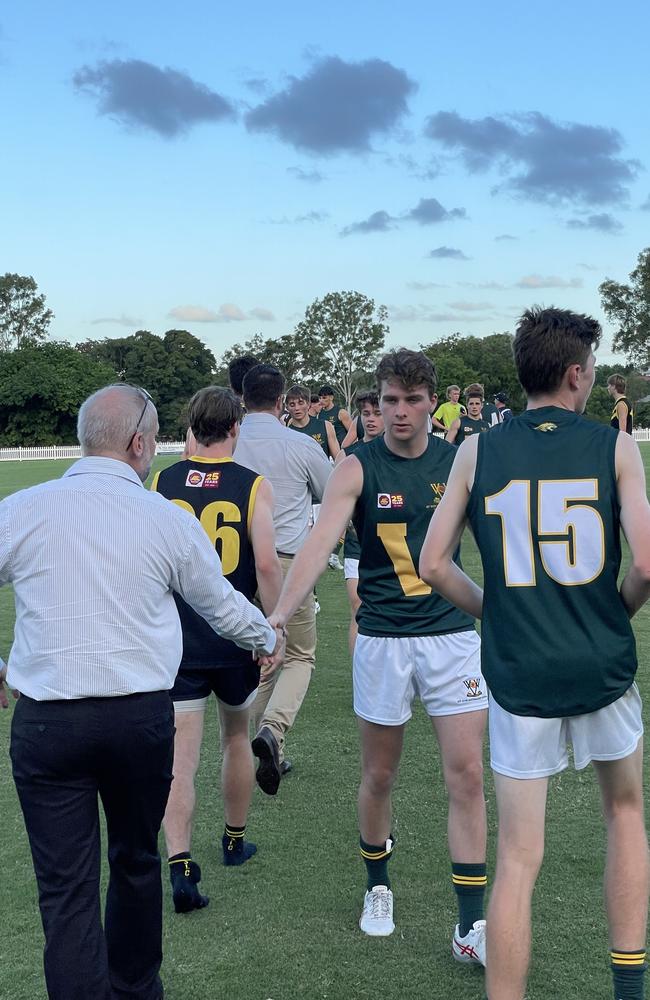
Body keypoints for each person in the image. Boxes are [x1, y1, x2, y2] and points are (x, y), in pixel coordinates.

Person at [0, 384, 281, 1000]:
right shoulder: (161, 518)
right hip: (136, 721)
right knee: (135, 861)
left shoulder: (23, 508)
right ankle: (135, 989)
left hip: (47, 724)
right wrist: (267, 636)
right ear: (138, 442)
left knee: (65, 888)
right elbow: (221, 605)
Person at [419, 306, 650, 1000]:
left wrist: (500, 612)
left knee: (519, 857)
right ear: (577, 373)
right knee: (626, 813)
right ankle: (630, 988)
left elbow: (433, 563)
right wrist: (614, 610)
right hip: (599, 659)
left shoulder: (475, 449)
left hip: (520, 670)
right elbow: (647, 562)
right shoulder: (614, 446)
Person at [268, 350, 488, 958]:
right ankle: (378, 885)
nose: (399, 412)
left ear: (431, 403)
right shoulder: (356, 466)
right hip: (383, 639)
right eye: (389, 400)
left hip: (451, 637)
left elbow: (494, 543)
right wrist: (282, 612)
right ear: (377, 403)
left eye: (412, 400)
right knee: (380, 774)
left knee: (467, 775)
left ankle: (470, 925)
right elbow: (318, 543)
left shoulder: (458, 462)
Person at [152, 386, 283, 912]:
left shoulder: (162, 481)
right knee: (235, 738)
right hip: (233, 637)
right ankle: (233, 840)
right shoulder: (252, 485)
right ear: (235, 429)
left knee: (180, 758)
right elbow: (268, 565)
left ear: (191, 427)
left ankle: (180, 862)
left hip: (178, 637)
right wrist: (272, 628)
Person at [235, 365, 332, 790]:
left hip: (235, 566)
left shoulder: (230, 442)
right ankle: (273, 729)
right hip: (287, 562)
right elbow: (331, 493)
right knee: (297, 655)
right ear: (280, 403)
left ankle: (261, 747)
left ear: (242, 399)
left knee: (261, 657)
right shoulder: (298, 443)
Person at [334, 389, 384, 655]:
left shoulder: (398, 452)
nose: (372, 419)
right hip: (357, 545)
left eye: (377, 413)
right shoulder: (349, 456)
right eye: (366, 414)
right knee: (358, 606)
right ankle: (359, 676)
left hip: (392, 546)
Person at [286, 384, 340, 460]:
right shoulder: (286, 433)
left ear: (308, 404)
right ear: (287, 407)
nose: (297, 408)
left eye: (301, 403)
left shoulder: (326, 426)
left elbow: (338, 459)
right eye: (292, 404)